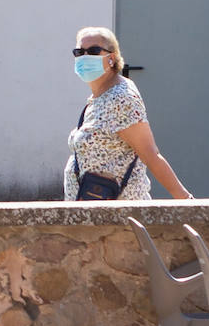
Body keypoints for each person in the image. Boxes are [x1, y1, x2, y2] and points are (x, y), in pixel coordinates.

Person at [64, 26, 194, 201]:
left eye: (93, 51)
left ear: (111, 58)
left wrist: (186, 200)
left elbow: (150, 154)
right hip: (93, 214)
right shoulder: (98, 97)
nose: (85, 57)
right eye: (79, 52)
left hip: (119, 215)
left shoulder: (121, 98)